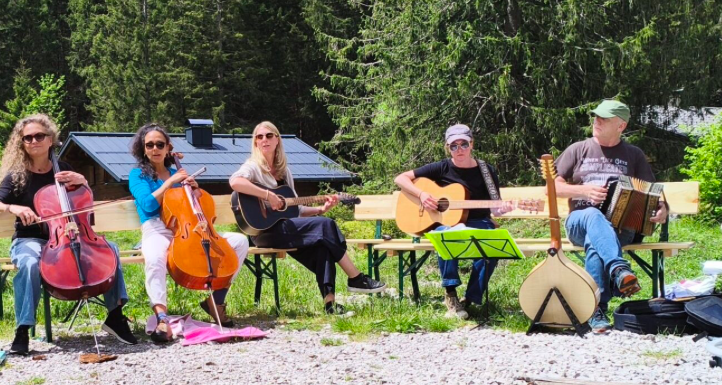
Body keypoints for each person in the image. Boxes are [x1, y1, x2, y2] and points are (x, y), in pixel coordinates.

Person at [0, 114, 139, 354]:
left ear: (51, 140)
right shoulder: (16, 177)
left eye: (40, 135)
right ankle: (23, 329)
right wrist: (14, 207)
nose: (34, 141)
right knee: (29, 263)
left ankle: (115, 316)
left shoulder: (64, 170)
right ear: (21, 143)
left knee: (111, 249)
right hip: (31, 239)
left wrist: (83, 182)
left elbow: (84, 203)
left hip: (70, 235)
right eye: (28, 138)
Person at [228, 121, 386, 313]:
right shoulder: (252, 167)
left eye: (269, 135)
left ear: (277, 140)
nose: (264, 140)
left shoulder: (284, 173)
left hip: (287, 228)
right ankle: (355, 277)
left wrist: (320, 210)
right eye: (259, 137)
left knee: (323, 244)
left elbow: (295, 209)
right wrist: (267, 195)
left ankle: (330, 304)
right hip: (264, 232)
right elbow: (235, 182)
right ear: (255, 143)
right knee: (326, 226)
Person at [127, 124, 250, 342]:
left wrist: (194, 189)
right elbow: (147, 205)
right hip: (156, 228)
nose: (155, 148)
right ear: (143, 149)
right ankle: (162, 317)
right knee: (155, 258)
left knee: (239, 241)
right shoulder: (138, 175)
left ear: (167, 147)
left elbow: (192, 208)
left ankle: (216, 300)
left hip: (188, 228)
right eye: (150, 145)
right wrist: (170, 184)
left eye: (160, 144)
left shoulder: (177, 172)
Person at [555, 100, 667, 333]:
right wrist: (583, 190)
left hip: (620, 227)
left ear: (621, 125)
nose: (597, 121)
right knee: (594, 216)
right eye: (596, 116)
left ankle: (596, 309)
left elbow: (653, 192)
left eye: (604, 118)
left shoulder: (633, 155)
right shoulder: (578, 148)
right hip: (579, 222)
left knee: (596, 244)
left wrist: (663, 208)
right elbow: (553, 187)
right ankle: (618, 270)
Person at [394, 124, 513, 319]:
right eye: (454, 146)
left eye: (463, 144)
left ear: (472, 144)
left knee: (493, 245)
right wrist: (422, 194)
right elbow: (401, 178)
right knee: (446, 235)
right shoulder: (441, 167)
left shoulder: (486, 170)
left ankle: (472, 299)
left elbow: (495, 207)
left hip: (478, 220)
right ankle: (450, 293)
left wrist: (503, 209)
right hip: (445, 224)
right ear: (448, 148)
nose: (459, 150)